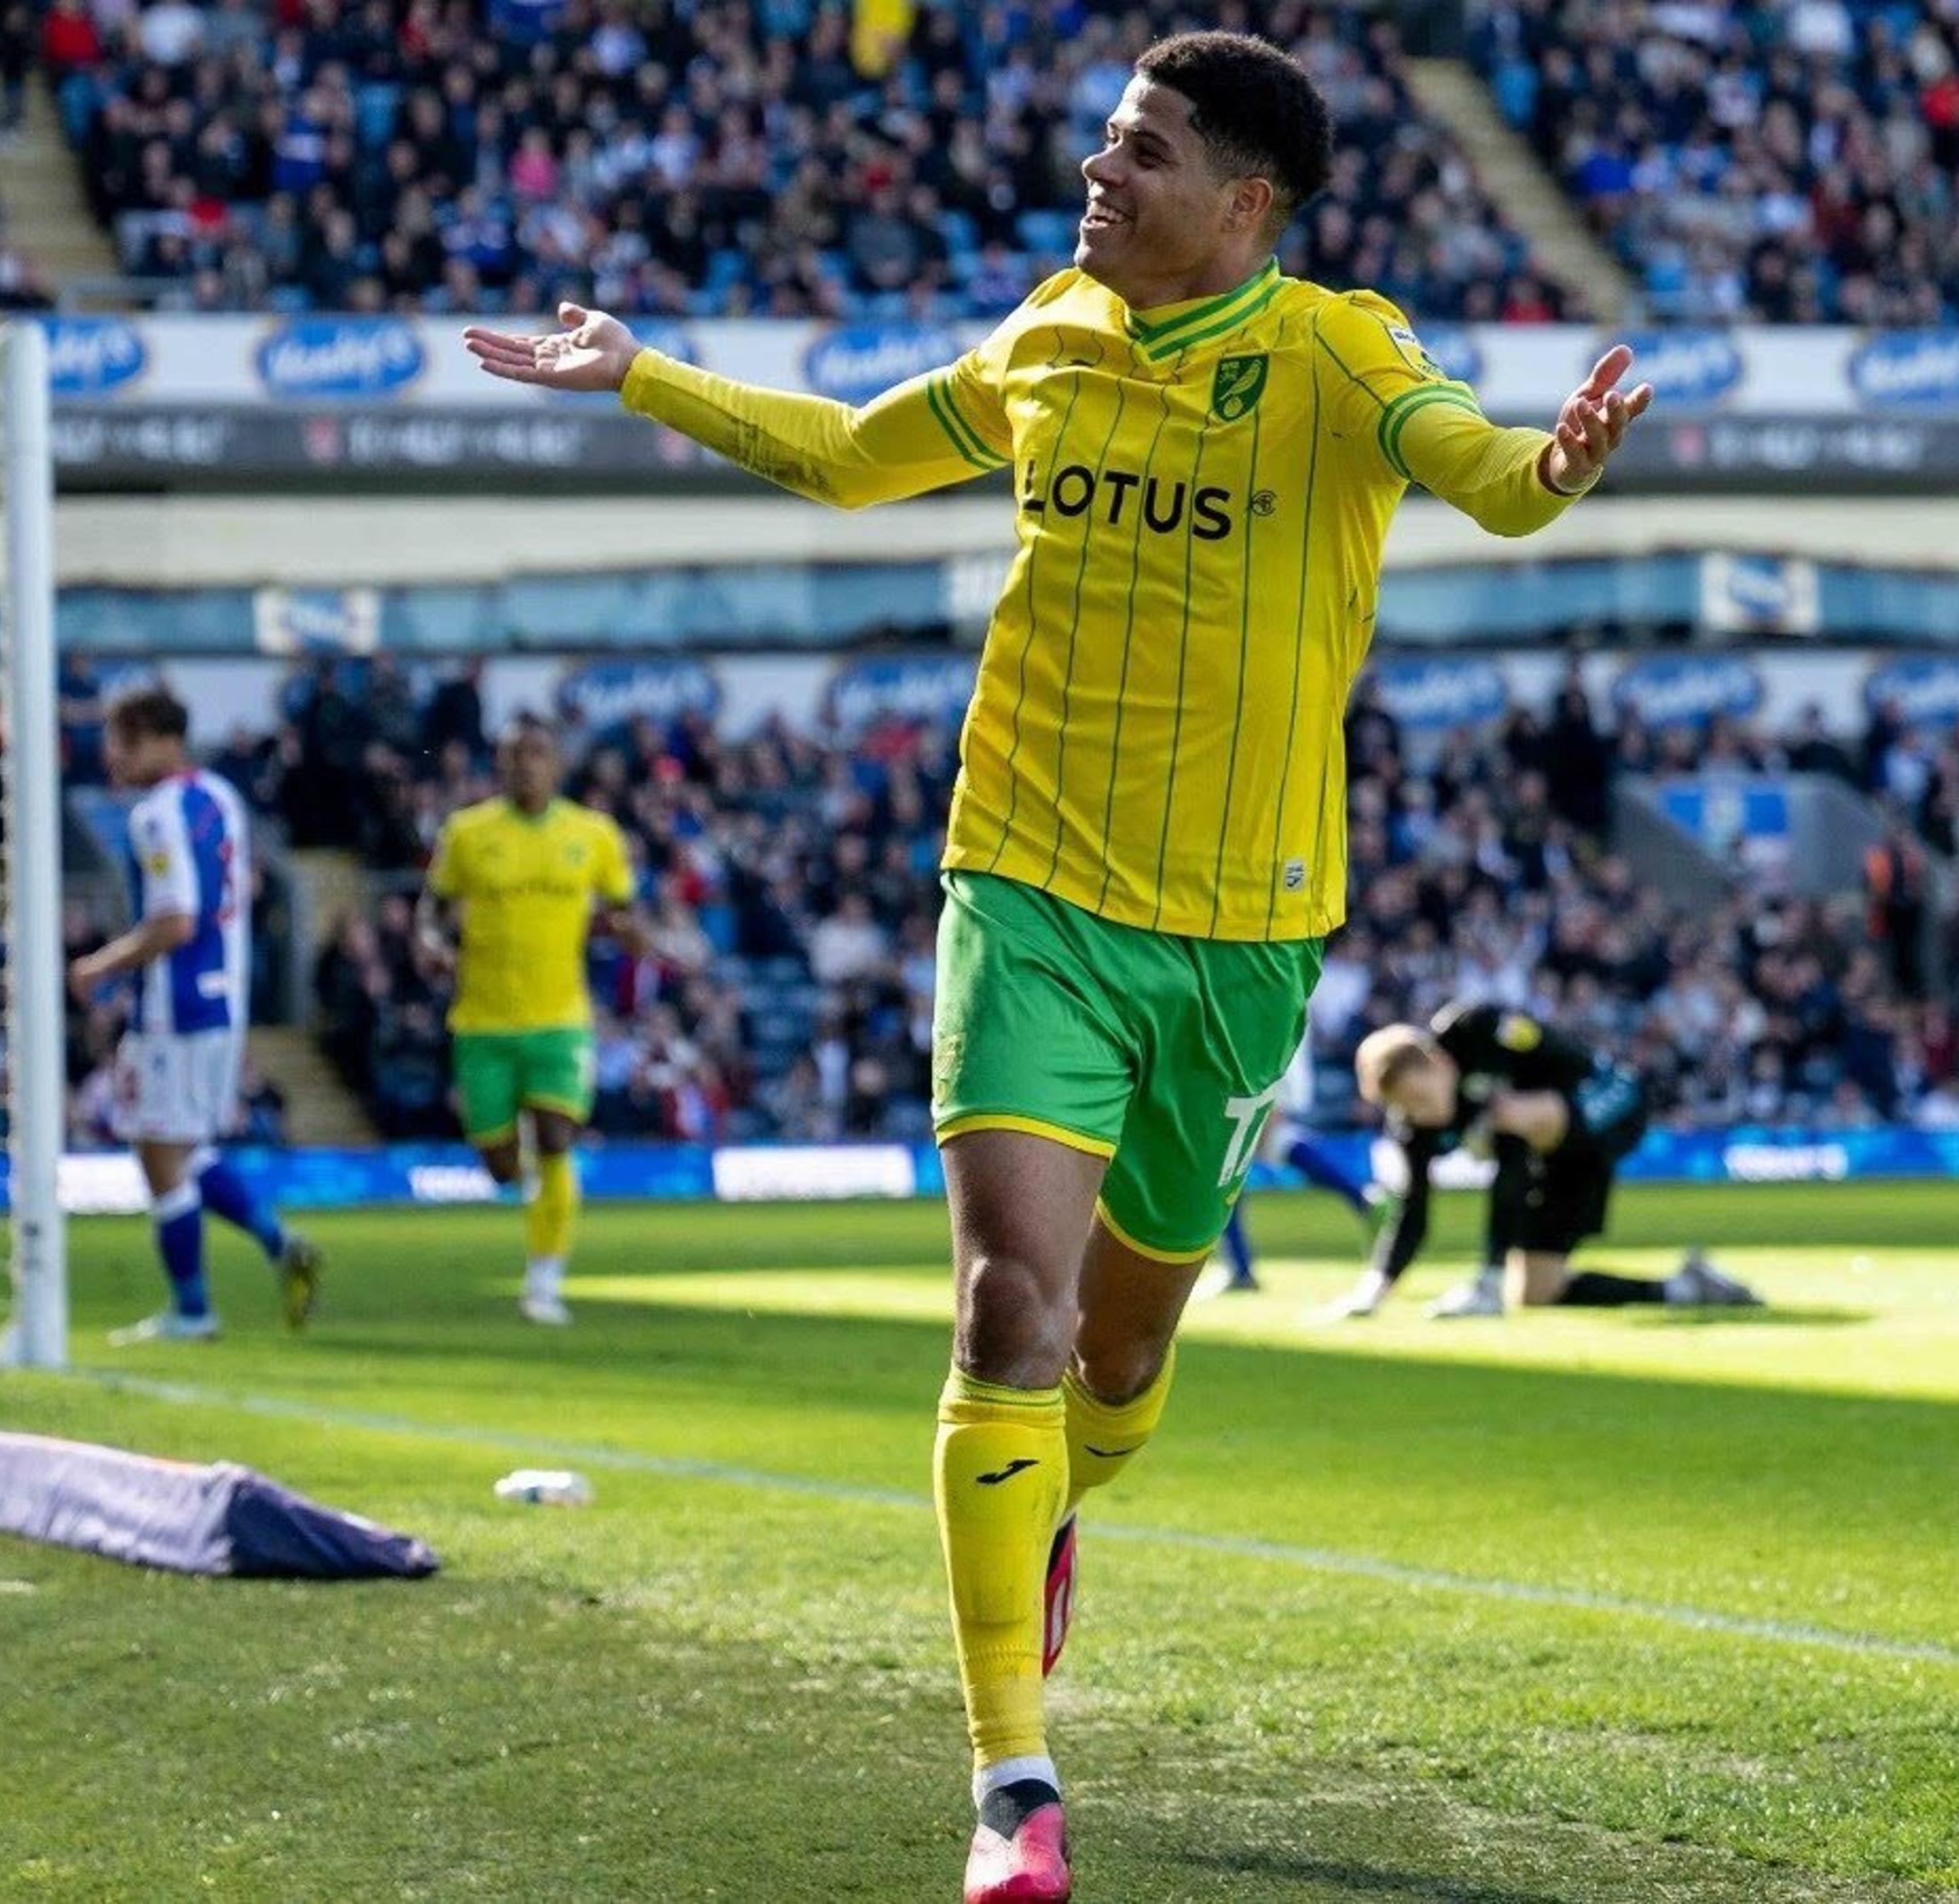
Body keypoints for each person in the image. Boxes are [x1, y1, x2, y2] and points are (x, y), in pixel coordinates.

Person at [466, 32, 1653, 1902]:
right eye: (1105, 142)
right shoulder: (1045, 335)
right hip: (1023, 888)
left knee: (1119, 1358)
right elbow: (856, 459)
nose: (1099, 175)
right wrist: (641, 376)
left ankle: (1053, 1511)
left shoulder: (1337, 353)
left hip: (1247, 942)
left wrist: (1554, 467)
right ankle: (1011, 1781)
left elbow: (1479, 472)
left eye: (1144, 153)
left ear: (1245, 204)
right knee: (1007, 1312)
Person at [70, 685, 322, 1342]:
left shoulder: (156, 814)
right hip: (223, 1001)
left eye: (120, 741)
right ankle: (279, 1242)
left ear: (159, 737)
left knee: (159, 1155)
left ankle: (192, 1309)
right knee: (187, 1146)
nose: (111, 755)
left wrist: (102, 966)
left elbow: (176, 921)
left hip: (175, 1007)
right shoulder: (220, 797)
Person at [1338, 1002, 1758, 1320]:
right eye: (1405, 1107)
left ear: (1441, 1064)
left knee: (1509, 1115)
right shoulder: (1414, 1121)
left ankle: (1488, 1282)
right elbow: (1414, 1207)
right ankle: (1687, 1288)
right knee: (1537, 1290)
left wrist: (1490, 1270)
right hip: (1559, 1153)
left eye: (1420, 1098)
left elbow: (1568, 1059)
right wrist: (1376, 1288)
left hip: (1609, 1102)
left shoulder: (1480, 1028)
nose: (1418, 1114)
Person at [421, 718, 636, 1324]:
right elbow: (431, 907)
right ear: (499, 765)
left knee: (556, 1136)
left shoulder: (593, 835)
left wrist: (636, 935)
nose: (525, 766)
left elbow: (623, 907)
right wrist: (431, 940)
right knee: (499, 1165)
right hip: (482, 1023)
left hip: (561, 1020)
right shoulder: (467, 833)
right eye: (513, 756)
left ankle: (544, 1280)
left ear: (558, 764)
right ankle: (516, 1169)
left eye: (536, 754)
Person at [1202, 1051, 1380, 1296]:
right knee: (1239, 1172)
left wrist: (1274, 1106)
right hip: (1254, 1083)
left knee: (1228, 1175)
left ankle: (1239, 1269)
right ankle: (1364, 1200)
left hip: (1258, 1081)